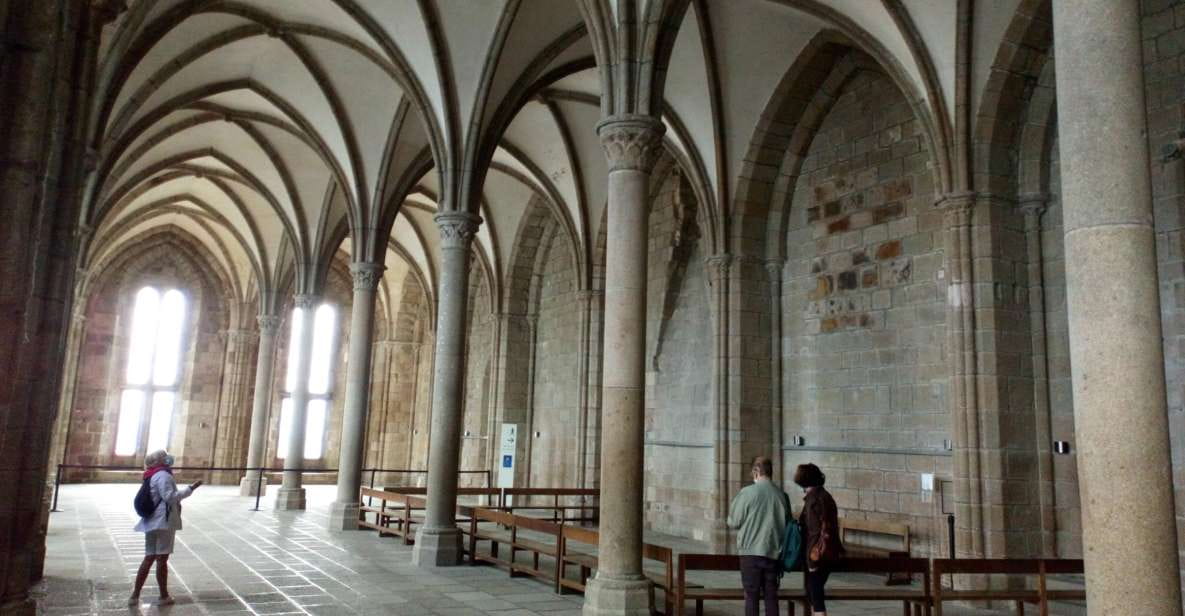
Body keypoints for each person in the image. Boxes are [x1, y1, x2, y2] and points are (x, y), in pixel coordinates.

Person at [129, 450, 202, 606]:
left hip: (152, 521)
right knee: (162, 559)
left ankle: (135, 595)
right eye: (165, 456)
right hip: (163, 521)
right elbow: (170, 497)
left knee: (149, 557)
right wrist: (191, 488)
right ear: (161, 461)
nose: (168, 457)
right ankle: (163, 596)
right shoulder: (163, 475)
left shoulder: (151, 474)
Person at [727, 456, 792, 616]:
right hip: (773, 553)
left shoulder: (747, 493)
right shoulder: (782, 496)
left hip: (750, 554)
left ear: (756, 471)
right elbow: (788, 525)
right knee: (771, 596)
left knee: (751, 596)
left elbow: (734, 521)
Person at [794, 463, 843, 616]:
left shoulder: (813, 500)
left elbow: (815, 532)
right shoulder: (825, 496)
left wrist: (811, 561)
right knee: (814, 593)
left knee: (816, 595)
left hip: (817, 554)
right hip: (830, 550)